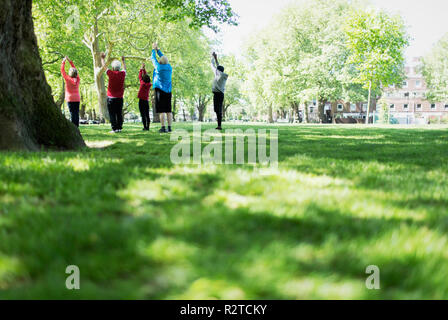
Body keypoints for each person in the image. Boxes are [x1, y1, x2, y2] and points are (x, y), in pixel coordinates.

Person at [101, 53, 126, 133]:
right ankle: (119, 128)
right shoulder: (122, 74)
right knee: (119, 113)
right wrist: (123, 61)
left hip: (111, 98)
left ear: (113, 67)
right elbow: (124, 69)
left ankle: (114, 128)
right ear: (119, 68)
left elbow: (105, 67)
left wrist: (102, 58)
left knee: (112, 114)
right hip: (120, 98)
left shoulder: (111, 74)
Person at [151, 43, 173, 133]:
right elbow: (164, 58)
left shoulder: (158, 67)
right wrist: (158, 50)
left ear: (160, 61)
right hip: (168, 91)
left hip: (160, 90)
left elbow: (153, 58)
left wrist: (153, 49)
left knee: (162, 110)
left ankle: (163, 128)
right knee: (168, 110)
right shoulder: (169, 67)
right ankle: (170, 127)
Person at [61, 56, 81, 127]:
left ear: (70, 73)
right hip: (77, 98)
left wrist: (64, 61)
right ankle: (77, 126)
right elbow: (75, 70)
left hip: (70, 98)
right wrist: (70, 62)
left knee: (72, 113)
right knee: (76, 113)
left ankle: (74, 126)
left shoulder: (67, 79)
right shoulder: (78, 79)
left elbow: (62, 71)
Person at [211, 52, 228, 130]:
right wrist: (215, 58)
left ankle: (219, 125)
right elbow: (214, 65)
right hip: (215, 94)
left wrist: (215, 59)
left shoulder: (224, 76)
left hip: (220, 94)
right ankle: (219, 125)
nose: (215, 71)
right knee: (216, 109)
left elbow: (215, 67)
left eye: (217, 70)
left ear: (219, 71)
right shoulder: (218, 74)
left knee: (219, 109)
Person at [138, 63, 152, 131]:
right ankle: (148, 127)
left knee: (143, 115)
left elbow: (140, 76)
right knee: (147, 114)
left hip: (141, 101)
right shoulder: (149, 84)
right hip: (146, 101)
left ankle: (144, 127)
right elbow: (144, 76)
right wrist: (144, 69)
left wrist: (141, 69)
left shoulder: (142, 83)